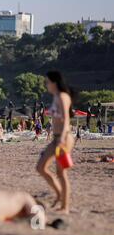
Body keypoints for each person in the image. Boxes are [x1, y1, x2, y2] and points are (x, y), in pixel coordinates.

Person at [36, 71, 75, 214]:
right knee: (41, 167)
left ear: (54, 82)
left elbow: (66, 120)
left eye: (47, 82)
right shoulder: (55, 97)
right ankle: (59, 194)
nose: (46, 85)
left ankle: (65, 207)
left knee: (61, 172)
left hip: (64, 138)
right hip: (56, 138)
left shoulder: (63, 97)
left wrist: (62, 140)